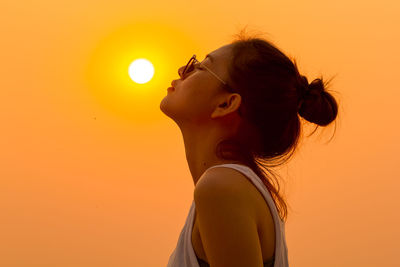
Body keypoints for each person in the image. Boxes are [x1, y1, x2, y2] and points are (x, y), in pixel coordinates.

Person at [160, 30, 339, 267]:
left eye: (201, 67)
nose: (183, 70)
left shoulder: (221, 188)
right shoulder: (229, 187)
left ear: (226, 103)